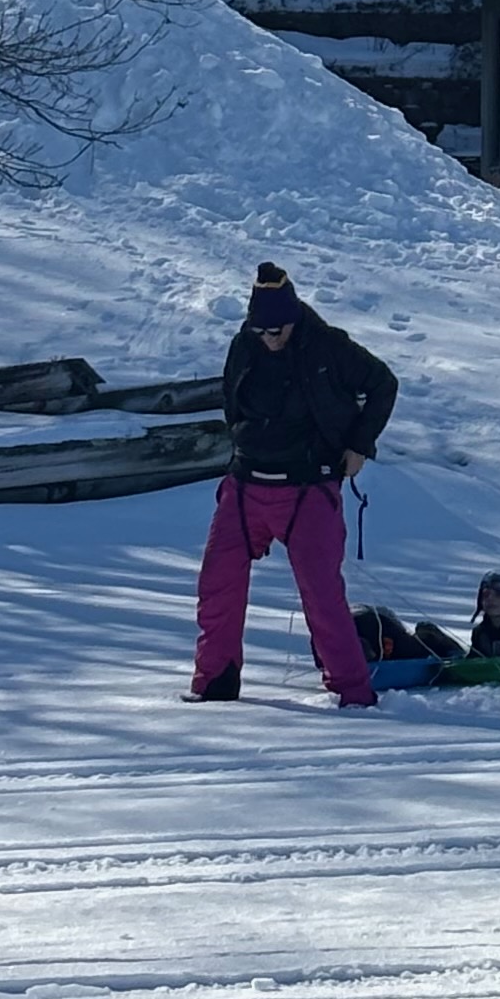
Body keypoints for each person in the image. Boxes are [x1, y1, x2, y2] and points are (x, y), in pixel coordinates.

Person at [188, 263, 398, 707]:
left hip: (310, 488)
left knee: (322, 596)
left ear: (294, 317)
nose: (269, 338)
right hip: (246, 484)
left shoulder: (328, 346)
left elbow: (383, 384)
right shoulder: (243, 345)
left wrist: (359, 445)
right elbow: (232, 401)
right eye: (261, 330)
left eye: (277, 330)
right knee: (217, 586)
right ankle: (214, 687)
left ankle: (353, 693)